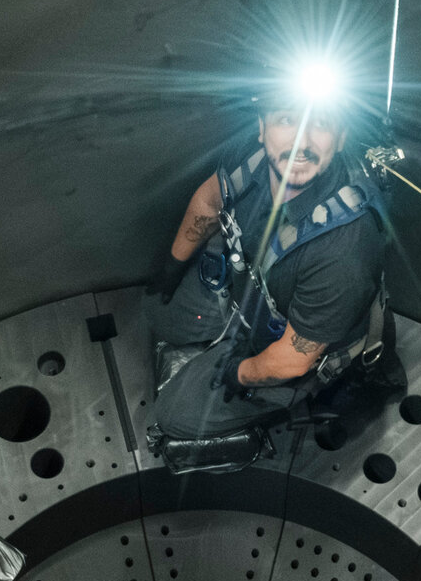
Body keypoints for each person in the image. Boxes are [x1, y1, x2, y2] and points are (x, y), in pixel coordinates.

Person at [145, 88, 387, 461]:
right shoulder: (251, 156)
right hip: (247, 296)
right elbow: (209, 201)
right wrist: (173, 266)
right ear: (262, 128)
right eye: (286, 119)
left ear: (340, 139)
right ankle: (216, 344)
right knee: (157, 314)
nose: (301, 142)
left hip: (286, 347)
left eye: (321, 124)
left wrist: (239, 373)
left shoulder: (345, 249)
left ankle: (270, 406)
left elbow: (293, 359)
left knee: (173, 414)